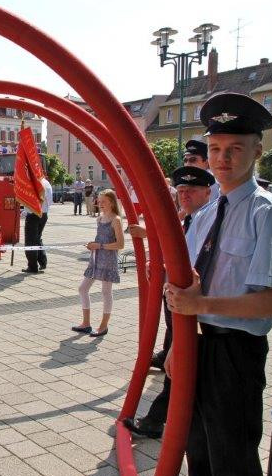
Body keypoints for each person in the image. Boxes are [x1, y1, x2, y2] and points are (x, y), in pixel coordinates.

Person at [165, 92, 272, 476]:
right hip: (198, 344)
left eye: (235, 149)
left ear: (257, 151)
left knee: (233, 454)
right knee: (198, 447)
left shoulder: (270, 214)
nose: (222, 159)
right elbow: (186, 288)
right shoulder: (205, 214)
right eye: (217, 149)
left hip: (235, 351)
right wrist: (177, 346)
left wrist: (201, 304)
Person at [122, 166, 215, 439]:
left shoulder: (207, 220)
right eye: (182, 190)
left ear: (207, 192)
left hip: (196, 308)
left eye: (192, 190)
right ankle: (164, 420)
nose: (185, 195)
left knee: (180, 365)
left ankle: (156, 419)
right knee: (176, 359)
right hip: (179, 301)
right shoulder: (190, 220)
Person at [71, 189, 124, 337]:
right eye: (99, 201)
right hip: (96, 258)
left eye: (103, 202)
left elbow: (120, 244)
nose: (100, 204)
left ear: (112, 203)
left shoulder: (116, 220)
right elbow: (100, 239)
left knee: (106, 292)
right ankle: (86, 323)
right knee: (83, 288)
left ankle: (103, 326)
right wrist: (92, 244)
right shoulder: (99, 219)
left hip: (108, 260)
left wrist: (99, 246)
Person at [22, 174, 53, 274]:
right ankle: (43, 262)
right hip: (43, 215)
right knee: (37, 239)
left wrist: (25, 211)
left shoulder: (33, 183)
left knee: (30, 241)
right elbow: (50, 201)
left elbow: (30, 200)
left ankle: (32, 266)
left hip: (33, 215)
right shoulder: (47, 183)